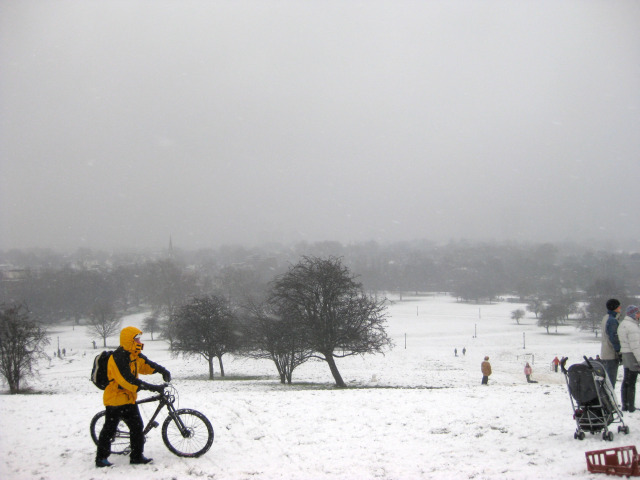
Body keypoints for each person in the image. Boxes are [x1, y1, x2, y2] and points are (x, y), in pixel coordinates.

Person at [95, 326, 171, 468]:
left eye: (139, 339)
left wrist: (162, 370)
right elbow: (127, 380)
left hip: (128, 399)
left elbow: (147, 365)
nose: (139, 341)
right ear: (129, 340)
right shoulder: (118, 357)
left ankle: (136, 457)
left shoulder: (134, 355)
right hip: (115, 399)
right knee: (110, 429)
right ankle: (101, 458)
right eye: (136, 339)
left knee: (137, 427)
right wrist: (150, 387)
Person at [618, 305, 640, 412]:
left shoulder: (622, 324)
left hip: (625, 354)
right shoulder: (632, 327)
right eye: (637, 313)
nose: (639, 315)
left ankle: (625, 404)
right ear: (633, 314)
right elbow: (636, 346)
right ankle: (631, 406)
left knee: (626, 380)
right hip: (632, 355)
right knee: (632, 381)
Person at [601, 298, 622, 388]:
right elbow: (614, 337)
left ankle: (607, 399)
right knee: (611, 380)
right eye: (618, 306)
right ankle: (609, 400)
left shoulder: (605, 318)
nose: (620, 308)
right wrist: (619, 351)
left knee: (607, 379)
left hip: (605, 352)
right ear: (615, 307)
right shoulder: (612, 320)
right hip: (611, 353)